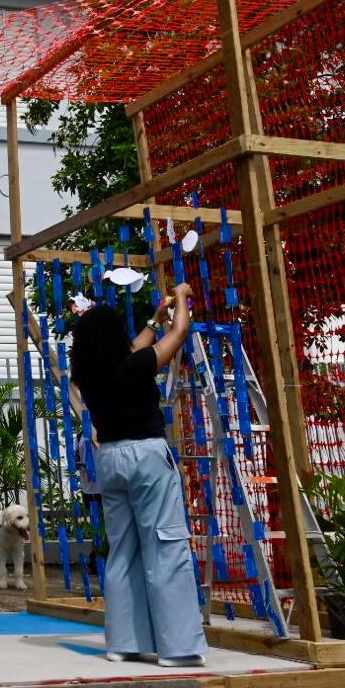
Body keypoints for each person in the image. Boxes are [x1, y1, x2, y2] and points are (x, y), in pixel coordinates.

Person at [70, 283, 208, 668]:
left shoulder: (89, 375)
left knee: (123, 550)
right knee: (165, 546)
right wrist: (181, 297)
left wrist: (154, 316)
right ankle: (177, 647)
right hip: (146, 454)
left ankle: (123, 643)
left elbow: (136, 345)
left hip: (110, 459)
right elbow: (178, 334)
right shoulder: (134, 364)